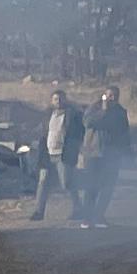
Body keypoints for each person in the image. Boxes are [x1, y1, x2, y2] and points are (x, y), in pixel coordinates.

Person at [28, 88, 81, 222]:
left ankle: (78, 209)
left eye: (61, 99)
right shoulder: (47, 115)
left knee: (66, 183)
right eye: (56, 99)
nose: (58, 102)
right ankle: (39, 212)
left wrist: (75, 150)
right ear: (51, 101)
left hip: (63, 154)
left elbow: (77, 134)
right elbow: (42, 133)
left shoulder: (72, 115)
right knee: (43, 182)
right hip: (47, 154)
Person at [83, 87, 133, 225]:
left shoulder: (120, 112)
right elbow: (88, 123)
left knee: (108, 187)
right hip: (93, 153)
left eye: (115, 96)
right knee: (91, 186)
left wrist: (127, 153)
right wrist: (104, 111)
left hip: (112, 155)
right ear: (103, 96)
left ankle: (99, 216)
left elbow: (124, 132)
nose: (112, 98)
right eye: (109, 95)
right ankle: (87, 217)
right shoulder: (93, 108)